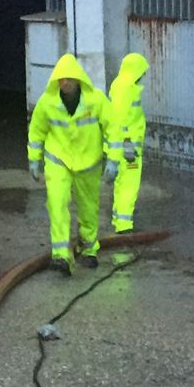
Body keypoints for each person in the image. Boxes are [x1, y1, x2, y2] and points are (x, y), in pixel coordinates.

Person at [27, 54, 120, 276]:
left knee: (88, 207)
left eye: (68, 78)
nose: (64, 82)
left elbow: (113, 128)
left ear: (78, 79)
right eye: (60, 79)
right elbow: (37, 130)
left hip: (89, 161)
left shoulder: (96, 100)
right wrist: (34, 158)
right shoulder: (47, 103)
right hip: (58, 158)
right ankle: (61, 255)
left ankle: (89, 248)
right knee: (57, 203)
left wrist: (114, 159)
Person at [108, 53, 150, 234]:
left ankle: (119, 221)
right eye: (142, 71)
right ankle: (124, 227)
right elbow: (119, 120)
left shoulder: (122, 85)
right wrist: (127, 144)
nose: (143, 75)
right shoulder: (125, 88)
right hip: (128, 148)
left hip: (125, 146)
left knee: (121, 184)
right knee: (128, 186)